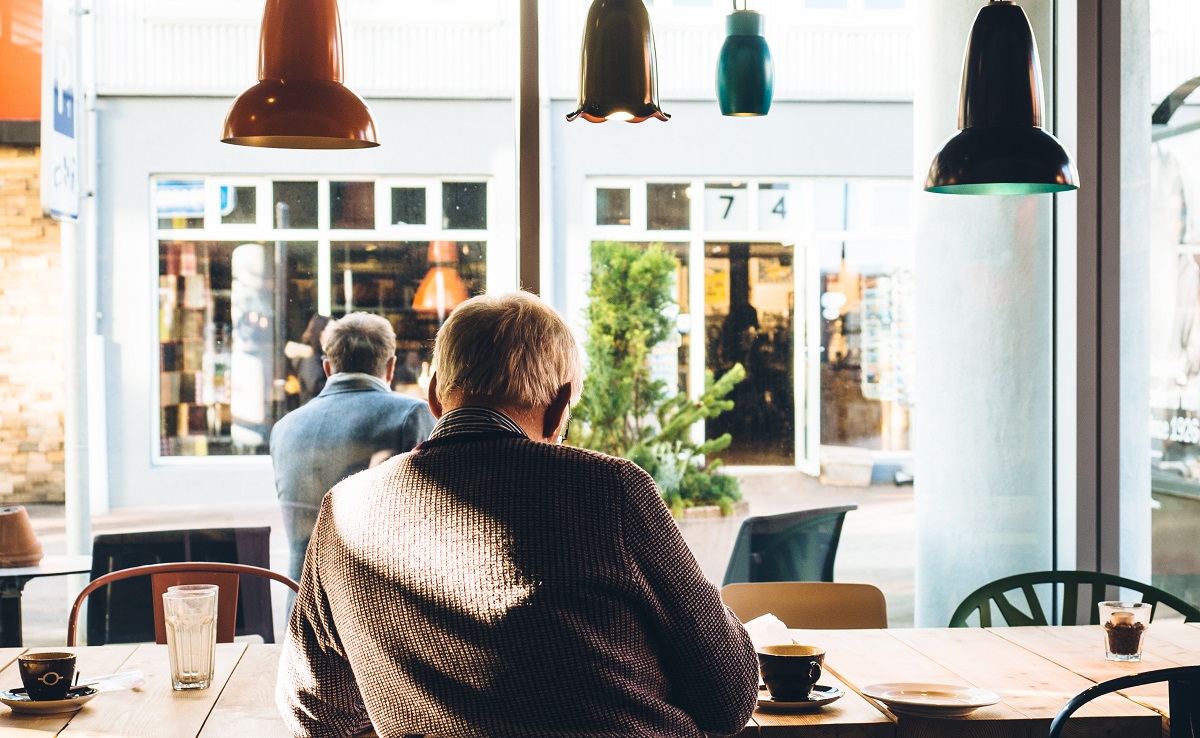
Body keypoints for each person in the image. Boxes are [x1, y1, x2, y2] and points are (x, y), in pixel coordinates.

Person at [277, 292, 759, 738]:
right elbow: (729, 698)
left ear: (435, 395)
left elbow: (313, 710)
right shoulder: (610, 492)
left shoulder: (345, 510)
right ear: (558, 409)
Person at [270, 312, 436, 584]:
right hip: (372, 611)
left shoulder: (284, 428)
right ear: (391, 367)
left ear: (327, 368)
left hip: (300, 612)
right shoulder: (410, 415)